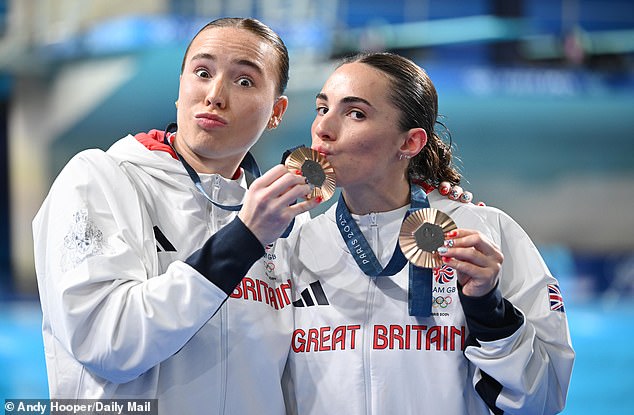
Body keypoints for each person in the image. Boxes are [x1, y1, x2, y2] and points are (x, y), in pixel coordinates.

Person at [32, 17, 318, 414]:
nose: (215, 95)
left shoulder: (286, 223)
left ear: (277, 112)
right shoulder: (101, 179)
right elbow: (108, 343)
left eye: (244, 81)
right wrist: (242, 240)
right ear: (180, 88)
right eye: (202, 73)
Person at [278, 52, 575, 414]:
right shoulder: (294, 244)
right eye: (322, 108)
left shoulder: (484, 234)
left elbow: (543, 399)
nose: (323, 128)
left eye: (355, 113)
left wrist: (489, 310)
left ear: (410, 143)